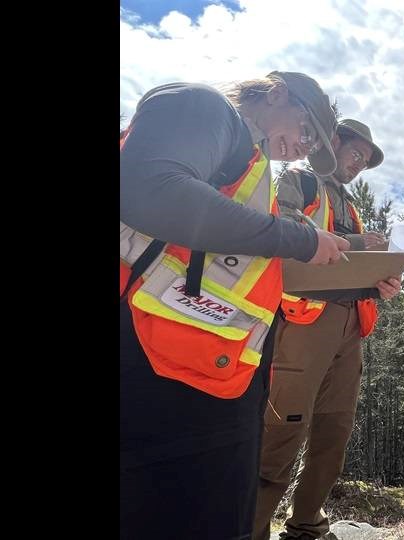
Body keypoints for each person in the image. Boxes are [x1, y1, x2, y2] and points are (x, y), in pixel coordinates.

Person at [120, 71, 350, 540]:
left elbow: (234, 272)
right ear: (276, 93)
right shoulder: (201, 105)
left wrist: (360, 283)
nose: (304, 148)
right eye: (306, 132)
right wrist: (296, 238)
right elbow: (148, 187)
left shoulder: (252, 174)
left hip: (212, 375)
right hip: (154, 369)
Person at [254, 119, 402, 540]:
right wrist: (358, 245)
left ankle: (306, 526)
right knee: (281, 435)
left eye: (365, 162)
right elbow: (281, 226)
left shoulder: (351, 207)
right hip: (302, 323)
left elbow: (349, 266)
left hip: (349, 326)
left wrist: (382, 281)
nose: (358, 165)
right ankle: (248, 529)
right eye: (356, 154)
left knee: (334, 434)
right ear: (333, 141)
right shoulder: (298, 180)